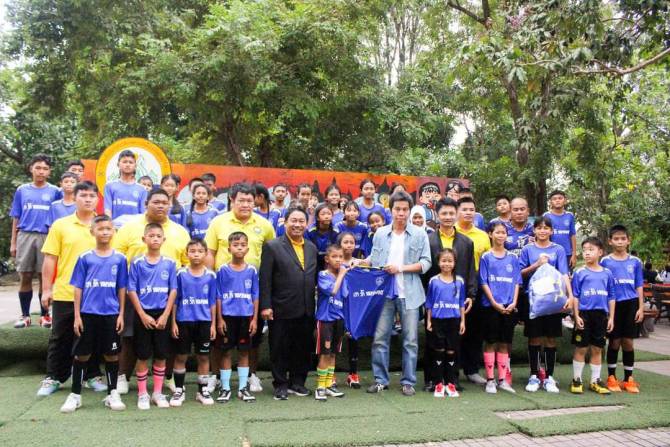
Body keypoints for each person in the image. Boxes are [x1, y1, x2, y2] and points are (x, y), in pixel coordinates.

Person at [113, 188, 190, 394]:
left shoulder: (180, 232)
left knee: (170, 337)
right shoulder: (129, 228)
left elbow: (186, 263)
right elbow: (117, 258)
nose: (161, 206)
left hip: (169, 295)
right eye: (156, 202)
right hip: (136, 294)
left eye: (165, 202)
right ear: (146, 203)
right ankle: (123, 376)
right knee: (130, 336)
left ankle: (168, 377)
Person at [205, 182, 275, 393]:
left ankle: (251, 375)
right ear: (232, 200)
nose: (246, 204)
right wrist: (209, 281)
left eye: (249, 201)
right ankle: (216, 376)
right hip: (223, 291)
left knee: (252, 338)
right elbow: (210, 252)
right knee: (219, 338)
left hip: (251, 291)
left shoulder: (265, 225)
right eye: (241, 200)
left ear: (256, 202)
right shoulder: (218, 222)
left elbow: (271, 254)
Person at [38, 181, 105, 396]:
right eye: (83, 195)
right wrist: (46, 289)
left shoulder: (104, 226)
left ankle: (92, 376)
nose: (88, 199)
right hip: (65, 291)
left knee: (92, 336)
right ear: (74, 198)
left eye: (92, 196)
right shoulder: (60, 225)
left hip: (95, 294)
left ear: (97, 199)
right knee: (60, 336)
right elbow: (50, 258)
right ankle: (53, 377)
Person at [362, 191, 431, 396]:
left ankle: (408, 381)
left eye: (404, 209)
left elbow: (426, 263)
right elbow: (374, 258)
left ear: (409, 211)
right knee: (380, 338)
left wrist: (400, 268)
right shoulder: (381, 233)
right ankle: (380, 380)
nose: (401, 213)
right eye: (397, 209)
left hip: (410, 294)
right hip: (384, 294)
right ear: (390, 210)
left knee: (410, 340)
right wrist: (360, 262)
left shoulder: (419, 234)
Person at [60, 215, 128, 413]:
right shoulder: (85, 258)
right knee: (82, 354)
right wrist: (77, 315)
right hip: (88, 314)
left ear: (114, 231)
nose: (105, 232)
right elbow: (78, 288)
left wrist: (121, 314)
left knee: (112, 355)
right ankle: (75, 395)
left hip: (111, 315)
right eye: (100, 229)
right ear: (92, 232)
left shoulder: (120, 259)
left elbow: (121, 288)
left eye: (108, 228)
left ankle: (112, 393)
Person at [259, 207, 318, 400]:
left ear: (307, 224)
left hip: (306, 308)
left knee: (303, 348)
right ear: (285, 222)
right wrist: (266, 306)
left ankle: (298, 383)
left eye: (302, 221)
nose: (297, 225)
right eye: (294, 220)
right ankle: (280, 384)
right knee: (279, 348)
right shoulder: (272, 246)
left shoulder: (311, 248)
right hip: (280, 308)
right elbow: (265, 279)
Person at [422, 198, 476, 392]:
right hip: (434, 301)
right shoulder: (428, 240)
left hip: (455, 300)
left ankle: (453, 379)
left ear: (457, 215)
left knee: (455, 341)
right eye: (444, 213)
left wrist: (471, 294)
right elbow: (424, 272)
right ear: (437, 215)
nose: (447, 217)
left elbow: (470, 269)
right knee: (432, 341)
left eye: (451, 213)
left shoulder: (466, 242)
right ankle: (432, 380)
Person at [519, 216, 574, 393]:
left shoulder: (558, 249)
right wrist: (537, 264)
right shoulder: (527, 249)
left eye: (546, 228)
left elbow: (564, 273)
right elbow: (521, 273)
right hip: (533, 300)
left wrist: (570, 296)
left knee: (551, 338)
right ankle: (534, 375)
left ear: (551, 231)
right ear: (534, 230)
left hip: (553, 300)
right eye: (539, 228)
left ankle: (549, 377)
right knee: (534, 337)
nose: (542, 231)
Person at [127, 223, 178, 410]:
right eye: (151, 235)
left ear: (164, 240)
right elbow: (131, 289)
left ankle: (157, 392)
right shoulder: (137, 263)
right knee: (142, 355)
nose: (155, 239)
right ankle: (142, 394)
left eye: (158, 236)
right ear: (144, 239)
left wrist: (165, 315)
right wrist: (142, 314)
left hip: (162, 315)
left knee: (161, 355)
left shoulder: (170, 263)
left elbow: (173, 290)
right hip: (143, 315)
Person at [10, 154, 60, 328]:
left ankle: (45, 315)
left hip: (47, 236)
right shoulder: (22, 190)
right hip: (25, 235)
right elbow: (16, 216)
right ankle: (25, 315)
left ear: (49, 171)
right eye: (38, 168)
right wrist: (13, 242)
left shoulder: (55, 191)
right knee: (25, 275)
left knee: (44, 276)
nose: (41, 171)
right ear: (31, 168)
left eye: (45, 168)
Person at [170, 239, 217, 407]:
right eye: (192, 251)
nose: (196, 254)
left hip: (204, 322)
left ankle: (202, 390)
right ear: (187, 253)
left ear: (206, 254)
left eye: (200, 251)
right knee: (181, 356)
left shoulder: (211, 275)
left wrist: (213, 324)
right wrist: (173, 323)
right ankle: (179, 390)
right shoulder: (180, 274)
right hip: (183, 321)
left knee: (203, 356)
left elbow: (212, 301)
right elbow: (175, 300)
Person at [215, 232, 260, 403]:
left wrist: (254, 319)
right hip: (227, 317)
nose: (239, 248)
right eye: (235, 245)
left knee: (244, 352)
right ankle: (225, 387)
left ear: (247, 249)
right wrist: (219, 319)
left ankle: (242, 388)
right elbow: (218, 296)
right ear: (229, 249)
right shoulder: (222, 270)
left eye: (242, 245)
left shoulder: (252, 270)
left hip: (245, 317)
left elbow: (255, 295)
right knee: (225, 352)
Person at [479, 222, 521, 394]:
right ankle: (490, 380)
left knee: (504, 343)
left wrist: (514, 302)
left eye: (504, 232)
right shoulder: (486, 257)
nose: (501, 235)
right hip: (491, 307)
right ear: (490, 234)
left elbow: (517, 282)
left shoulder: (513, 258)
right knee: (491, 342)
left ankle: (502, 379)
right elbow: (484, 282)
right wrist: (494, 303)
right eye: (497, 232)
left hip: (509, 306)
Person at [570, 237, 615, 395]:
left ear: (600, 252)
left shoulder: (607, 273)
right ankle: (577, 380)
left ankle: (595, 381)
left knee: (597, 348)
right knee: (581, 348)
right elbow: (575, 296)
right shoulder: (579, 272)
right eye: (584, 250)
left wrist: (611, 317)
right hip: (584, 314)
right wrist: (576, 316)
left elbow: (611, 296)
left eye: (591, 250)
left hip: (601, 315)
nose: (587, 253)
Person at [601, 225, 644, 393]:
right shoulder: (605, 261)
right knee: (614, 341)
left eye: (623, 238)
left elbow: (639, 285)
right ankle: (611, 377)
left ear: (628, 241)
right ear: (610, 241)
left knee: (628, 342)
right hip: (614, 306)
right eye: (616, 239)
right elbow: (603, 283)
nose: (620, 241)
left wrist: (641, 307)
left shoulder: (635, 262)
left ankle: (628, 379)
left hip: (631, 304)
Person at [455, 196, 491, 385]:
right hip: (452, 285)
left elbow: (487, 262)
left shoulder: (483, 236)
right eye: (464, 209)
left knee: (475, 329)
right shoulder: (450, 232)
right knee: (454, 329)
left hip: (476, 285)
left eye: (471, 209)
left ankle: (472, 370)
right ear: (457, 212)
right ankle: (452, 370)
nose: (468, 213)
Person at [425, 249, 465, 398]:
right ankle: (438, 384)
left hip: (453, 321)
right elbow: (429, 302)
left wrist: (463, 321)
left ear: (454, 263)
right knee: (439, 351)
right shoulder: (433, 281)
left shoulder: (459, 281)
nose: (446, 264)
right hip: (438, 321)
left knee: (451, 352)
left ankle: (451, 383)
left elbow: (461, 303)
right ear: (438, 262)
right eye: (443, 260)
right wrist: (429, 320)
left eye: (450, 261)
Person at [314, 244, 348, 400]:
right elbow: (332, 291)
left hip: (338, 318)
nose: (338, 260)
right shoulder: (323, 275)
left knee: (333, 353)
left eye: (341, 257)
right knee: (325, 353)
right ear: (327, 259)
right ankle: (320, 387)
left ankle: (329, 385)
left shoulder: (343, 276)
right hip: (325, 319)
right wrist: (341, 275)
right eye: (334, 257)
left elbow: (345, 294)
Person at [103, 150, 148, 228]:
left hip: (135, 229)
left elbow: (144, 213)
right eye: (124, 162)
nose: (128, 164)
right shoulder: (109, 186)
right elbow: (107, 210)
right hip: (115, 228)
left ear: (135, 165)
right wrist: (109, 227)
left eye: (131, 162)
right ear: (118, 164)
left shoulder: (142, 189)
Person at [543, 190, 577, 270]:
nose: (557, 200)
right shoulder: (546, 216)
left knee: (566, 276)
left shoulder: (570, 215)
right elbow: (543, 235)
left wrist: (574, 254)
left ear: (565, 200)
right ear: (550, 202)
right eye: (554, 199)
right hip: (551, 253)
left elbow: (572, 235)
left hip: (567, 253)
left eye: (560, 198)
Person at [305, 203, 339, 273]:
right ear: (317, 217)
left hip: (330, 262)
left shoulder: (336, 231)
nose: (326, 216)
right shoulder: (310, 231)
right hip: (313, 261)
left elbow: (336, 250)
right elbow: (308, 251)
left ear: (332, 216)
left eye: (329, 214)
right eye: (323, 214)